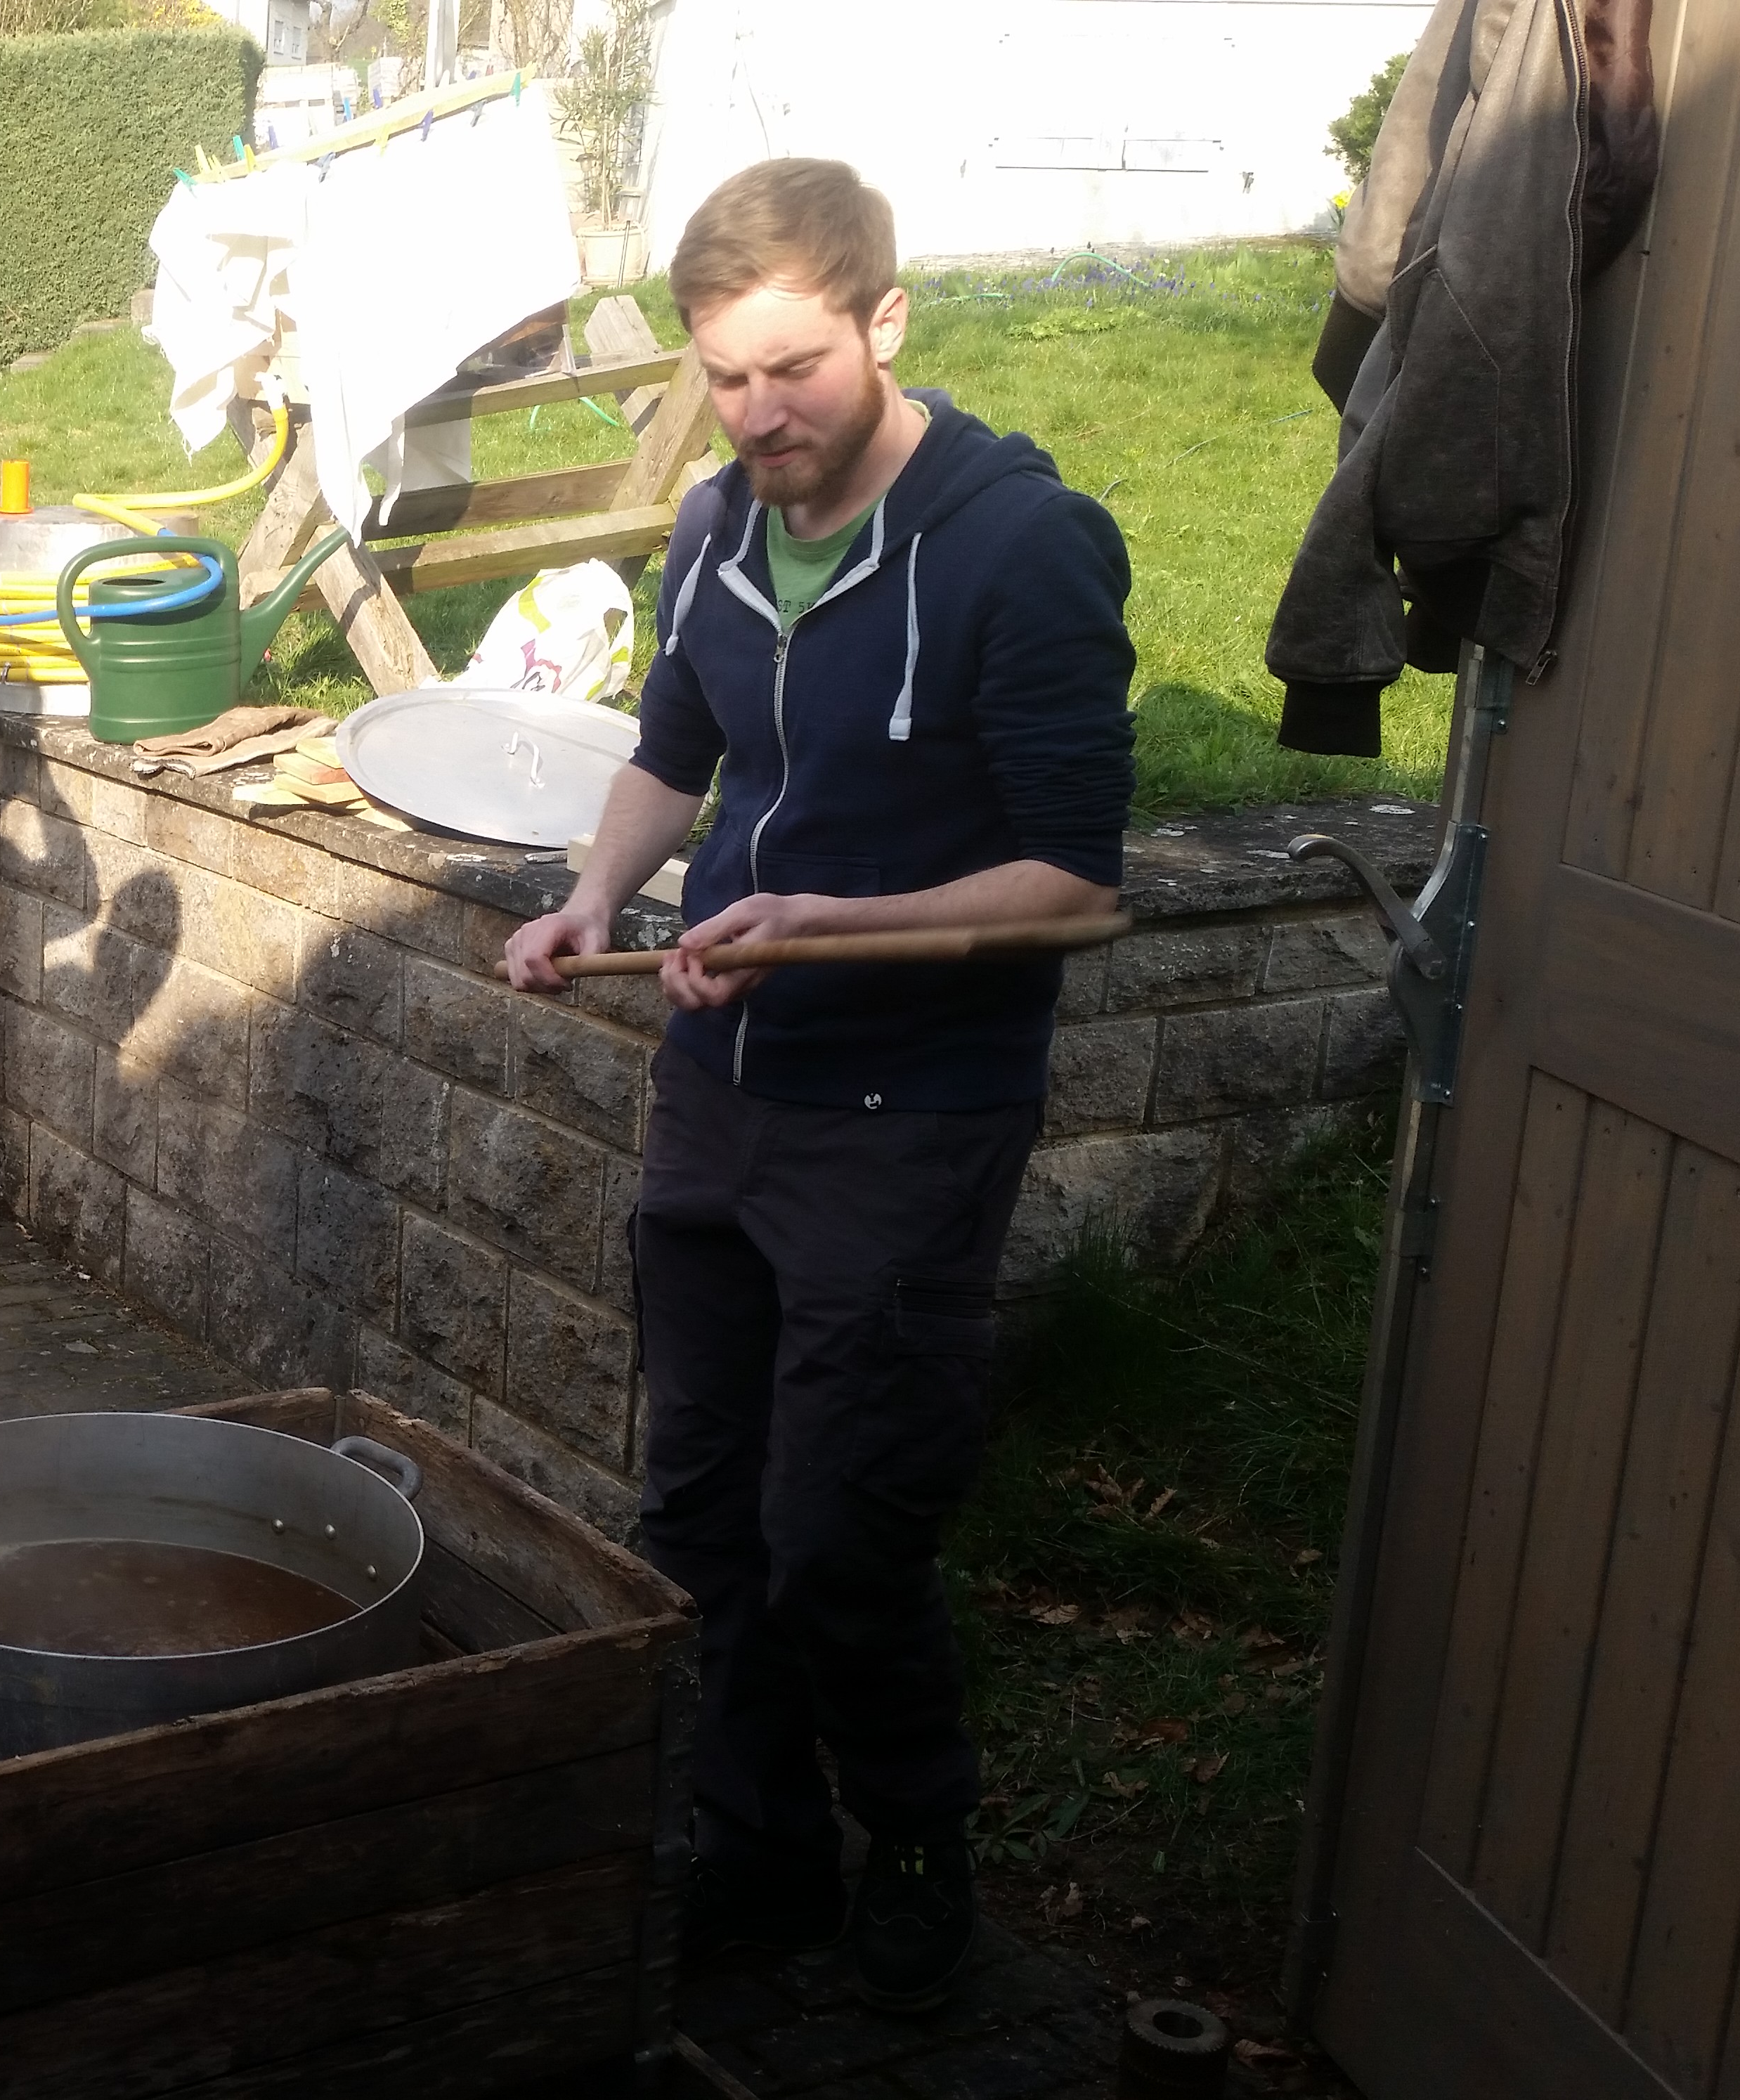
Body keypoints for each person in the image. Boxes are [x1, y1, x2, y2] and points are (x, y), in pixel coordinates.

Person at [502, 159, 1136, 2015]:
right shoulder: (713, 525)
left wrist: (827, 928)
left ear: (886, 322)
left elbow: (1078, 886)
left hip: (907, 1120)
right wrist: (597, 895)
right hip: (721, 1086)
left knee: (840, 1533)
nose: (760, 412)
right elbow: (676, 744)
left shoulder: (1023, 547)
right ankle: (761, 1845)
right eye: (727, 375)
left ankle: (920, 1843)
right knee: (700, 1514)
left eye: (796, 368)